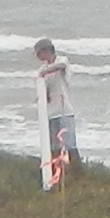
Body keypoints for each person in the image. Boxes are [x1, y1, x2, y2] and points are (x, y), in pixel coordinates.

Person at [32, 39, 78, 188]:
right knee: (54, 149)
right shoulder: (43, 70)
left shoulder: (61, 61)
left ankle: (78, 176)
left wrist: (44, 72)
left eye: (39, 52)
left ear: (47, 51)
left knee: (69, 146)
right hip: (51, 114)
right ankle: (56, 180)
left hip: (64, 111)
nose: (38, 56)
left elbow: (61, 66)